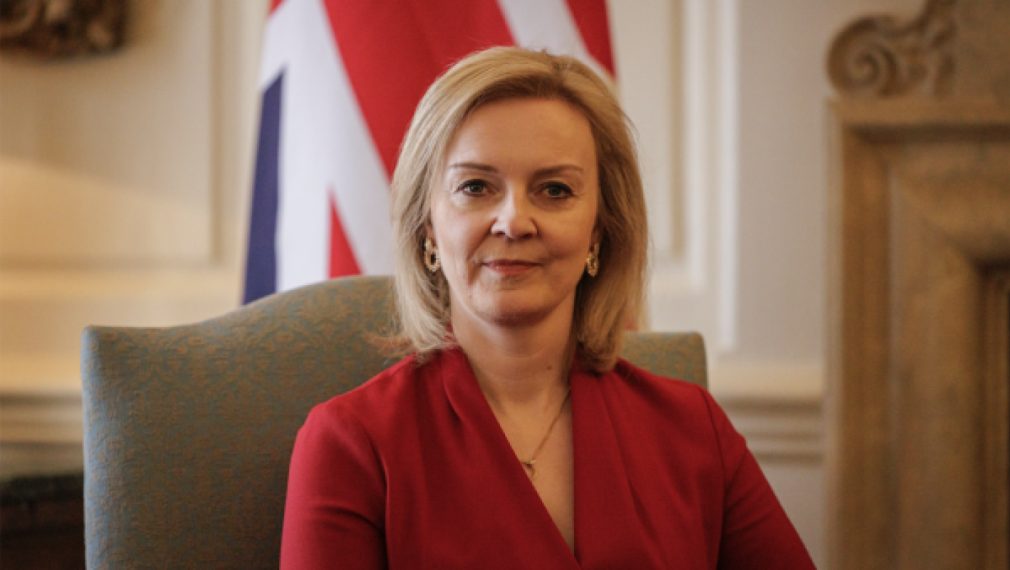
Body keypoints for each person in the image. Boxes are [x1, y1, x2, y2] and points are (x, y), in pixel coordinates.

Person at [280, 47, 815, 569]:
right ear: (428, 228)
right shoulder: (350, 444)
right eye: (475, 187)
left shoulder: (694, 430)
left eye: (555, 190)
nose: (514, 221)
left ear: (599, 229)